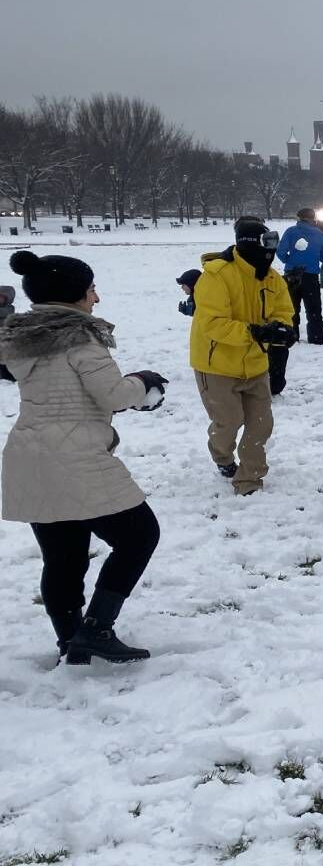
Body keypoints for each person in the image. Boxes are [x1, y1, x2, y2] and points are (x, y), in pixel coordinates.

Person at [0, 251, 167, 664]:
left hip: (30, 455)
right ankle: (94, 630)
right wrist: (142, 381)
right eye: (92, 289)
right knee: (139, 535)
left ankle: (70, 640)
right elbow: (112, 394)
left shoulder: (19, 336)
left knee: (62, 556)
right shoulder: (78, 336)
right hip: (75, 456)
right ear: (74, 293)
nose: (97, 297)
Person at [191, 218, 296, 495]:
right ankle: (222, 456)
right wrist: (254, 332)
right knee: (229, 421)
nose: (270, 255)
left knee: (261, 424)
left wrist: (282, 330)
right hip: (216, 366)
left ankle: (249, 480)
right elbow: (212, 323)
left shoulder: (273, 278)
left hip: (255, 364)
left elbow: (283, 311)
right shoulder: (216, 275)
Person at [276, 208, 323, 346]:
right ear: (313, 218)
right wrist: (315, 258)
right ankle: (316, 338)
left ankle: (291, 337)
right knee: (313, 309)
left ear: (299, 218)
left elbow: (281, 251)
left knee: (290, 308)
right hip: (311, 276)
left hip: (291, 275)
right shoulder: (319, 234)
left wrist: (289, 260)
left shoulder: (290, 232)